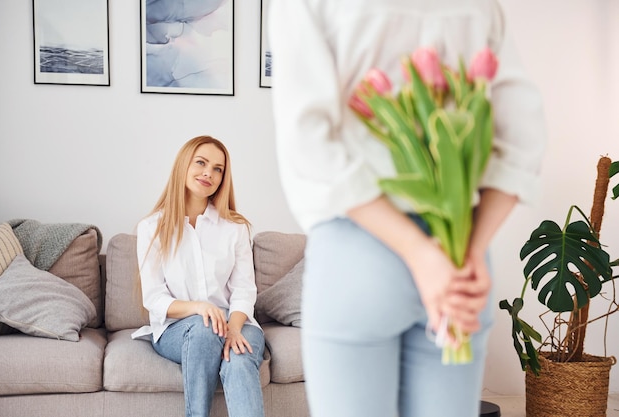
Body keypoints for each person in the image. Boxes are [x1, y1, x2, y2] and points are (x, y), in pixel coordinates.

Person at [268, 1, 546, 416]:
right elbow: (523, 136)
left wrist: (418, 254)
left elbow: (309, 145)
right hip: (460, 256)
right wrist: (468, 252)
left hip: (359, 251)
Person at [131, 135, 265, 417]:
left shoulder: (235, 228)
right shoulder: (151, 227)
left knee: (239, 358)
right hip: (177, 328)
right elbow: (153, 298)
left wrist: (234, 328)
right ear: (183, 165)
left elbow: (244, 290)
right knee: (204, 329)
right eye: (201, 163)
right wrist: (199, 308)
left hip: (234, 321)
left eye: (218, 169)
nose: (209, 173)